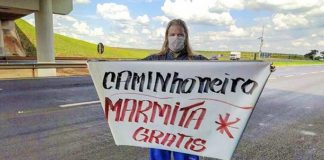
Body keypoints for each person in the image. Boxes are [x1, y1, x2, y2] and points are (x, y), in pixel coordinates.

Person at [144, 19, 207, 160]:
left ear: (186, 37)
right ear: (166, 37)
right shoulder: (154, 60)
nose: (176, 38)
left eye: (180, 35)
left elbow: (224, 74)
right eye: (172, 34)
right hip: (159, 122)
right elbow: (127, 71)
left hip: (187, 122)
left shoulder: (197, 61)